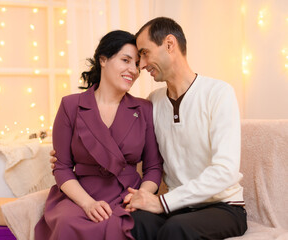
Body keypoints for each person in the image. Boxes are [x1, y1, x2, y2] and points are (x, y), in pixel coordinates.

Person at [123, 17, 248, 239]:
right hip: (179, 208)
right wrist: (73, 151)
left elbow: (225, 170)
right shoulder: (153, 101)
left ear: (169, 44)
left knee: (177, 228)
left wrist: (163, 202)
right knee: (132, 221)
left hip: (223, 207)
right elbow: (124, 141)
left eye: (145, 53)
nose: (141, 65)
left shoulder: (219, 93)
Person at [35, 30, 163, 240]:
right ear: (103, 60)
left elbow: (153, 167)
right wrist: (87, 203)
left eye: (137, 64)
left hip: (127, 195)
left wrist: (141, 196)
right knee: (67, 223)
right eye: (125, 60)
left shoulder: (144, 108)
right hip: (81, 196)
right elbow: (62, 167)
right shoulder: (71, 105)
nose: (133, 70)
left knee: (128, 225)